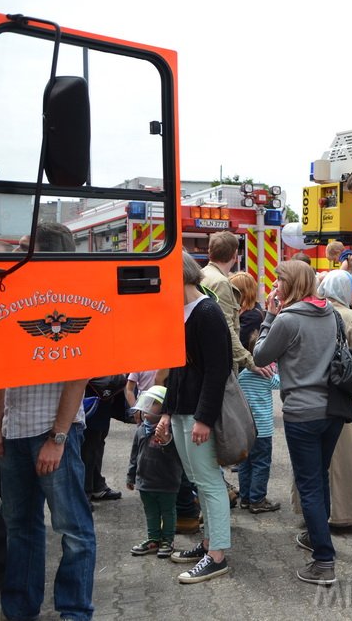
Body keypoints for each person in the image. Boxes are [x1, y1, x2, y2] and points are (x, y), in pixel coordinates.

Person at [0, 221, 95, 620]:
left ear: (48, 252)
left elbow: (81, 370)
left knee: (72, 530)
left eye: (24, 247)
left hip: (52, 431)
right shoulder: (14, 293)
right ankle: (20, 609)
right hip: (15, 429)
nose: (14, 255)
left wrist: (57, 436)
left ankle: (74, 612)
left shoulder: (73, 298)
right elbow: (1, 365)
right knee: (20, 526)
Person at [253, 260, 344, 584]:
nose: (275, 287)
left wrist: (269, 316)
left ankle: (323, 561)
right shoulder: (331, 313)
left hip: (302, 414)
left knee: (308, 485)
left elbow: (260, 356)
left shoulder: (287, 319)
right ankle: (316, 537)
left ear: (291, 284)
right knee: (318, 477)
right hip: (332, 410)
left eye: (279, 282)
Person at [156, 250, 233, 584]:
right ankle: (207, 544)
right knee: (200, 480)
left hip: (197, 414)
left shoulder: (206, 311)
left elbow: (218, 371)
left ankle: (216, 555)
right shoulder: (185, 310)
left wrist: (203, 418)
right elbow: (177, 369)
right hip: (184, 410)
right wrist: (167, 413)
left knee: (209, 482)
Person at [316, 270, 352, 528]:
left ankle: (311, 512)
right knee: (345, 455)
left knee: (315, 457)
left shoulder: (312, 311)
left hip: (315, 392)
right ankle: (343, 513)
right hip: (344, 394)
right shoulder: (351, 317)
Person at [126, 386, 183, 559]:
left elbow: (177, 455)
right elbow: (134, 455)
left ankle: (167, 540)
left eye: (153, 404)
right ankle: (153, 539)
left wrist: (166, 441)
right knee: (150, 512)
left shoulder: (171, 430)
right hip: (145, 482)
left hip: (167, 482)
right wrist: (131, 475)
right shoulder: (141, 429)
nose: (146, 408)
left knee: (167, 511)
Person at [200, 231, 261, 376]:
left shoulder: (202, 274)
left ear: (210, 253)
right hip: (218, 363)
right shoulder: (220, 282)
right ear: (234, 256)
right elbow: (226, 328)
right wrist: (250, 362)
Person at [236, 329, 281, 513]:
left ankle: (245, 498)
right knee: (261, 464)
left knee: (245, 464)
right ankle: (258, 499)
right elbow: (280, 383)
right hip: (262, 430)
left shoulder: (243, 375)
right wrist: (277, 368)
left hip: (245, 430)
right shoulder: (267, 374)